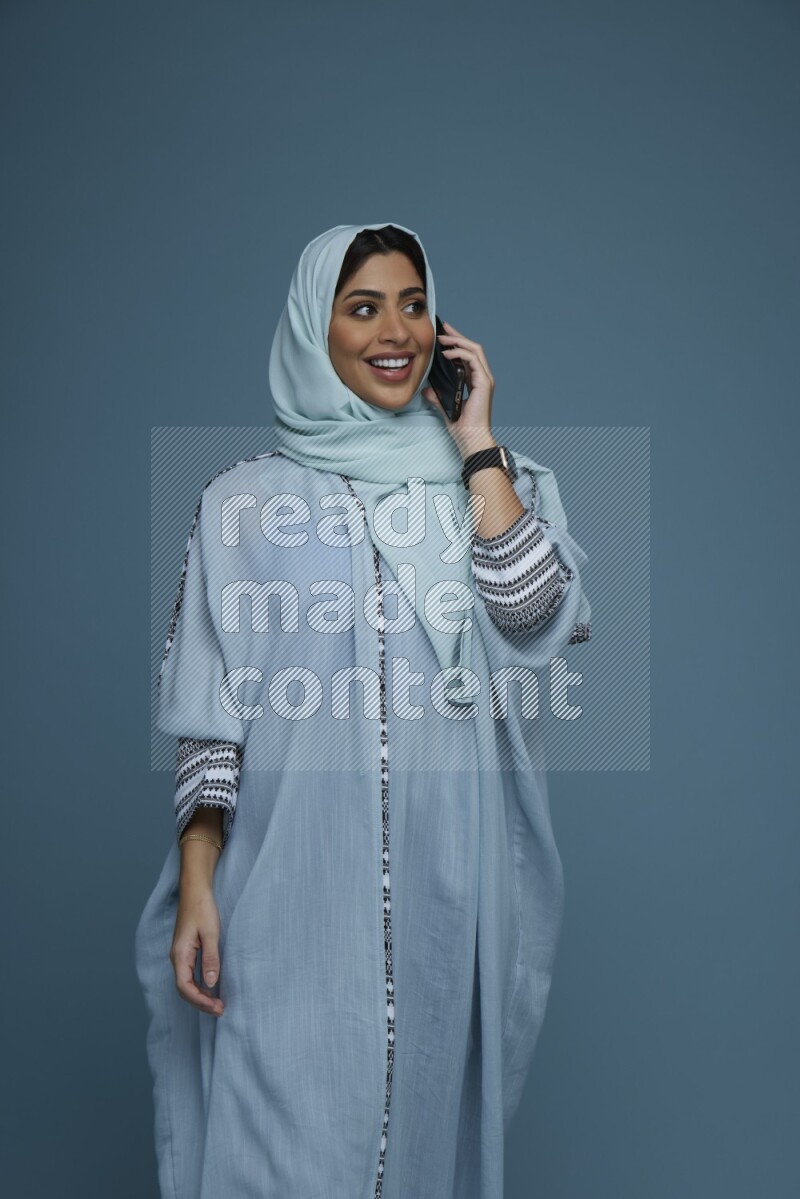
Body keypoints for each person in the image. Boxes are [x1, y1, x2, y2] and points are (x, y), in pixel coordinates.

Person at [135, 221, 592, 1199]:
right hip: (286, 895)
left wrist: (474, 444)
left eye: (414, 303)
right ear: (315, 327)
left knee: (420, 1153)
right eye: (363, 306)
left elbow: (533, 611)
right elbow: (213, 720)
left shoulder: (498, 486)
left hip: (446, 895)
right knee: (277, 1155)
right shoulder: (241, 505)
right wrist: (198, 885)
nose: (396, 331)